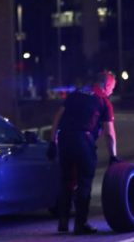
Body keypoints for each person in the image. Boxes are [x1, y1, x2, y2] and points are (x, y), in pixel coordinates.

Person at [49, 70, 118, 234]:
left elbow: (57, 118)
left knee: (66, 181)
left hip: (64, 140)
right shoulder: (103, 101)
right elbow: (109, 134)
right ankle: (81, 224)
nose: (112, 91)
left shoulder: (75, 94)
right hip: (83, 141)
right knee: (84, 183)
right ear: (107, 85)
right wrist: (113, 156)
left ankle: (63, 222)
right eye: (112, 87)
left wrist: (53, 142)